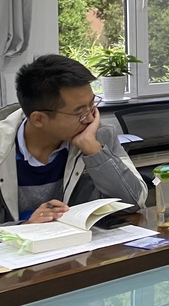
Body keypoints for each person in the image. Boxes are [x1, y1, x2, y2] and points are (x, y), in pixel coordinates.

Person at [0, 54, 147, 225]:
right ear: (39, 119)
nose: (91, 118)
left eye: (92, 105)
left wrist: (94, 151)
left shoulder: (99, 136)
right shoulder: (4, 146)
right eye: (80, 112)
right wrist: (25, 227)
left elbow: (134, 202)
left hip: (84, 241)